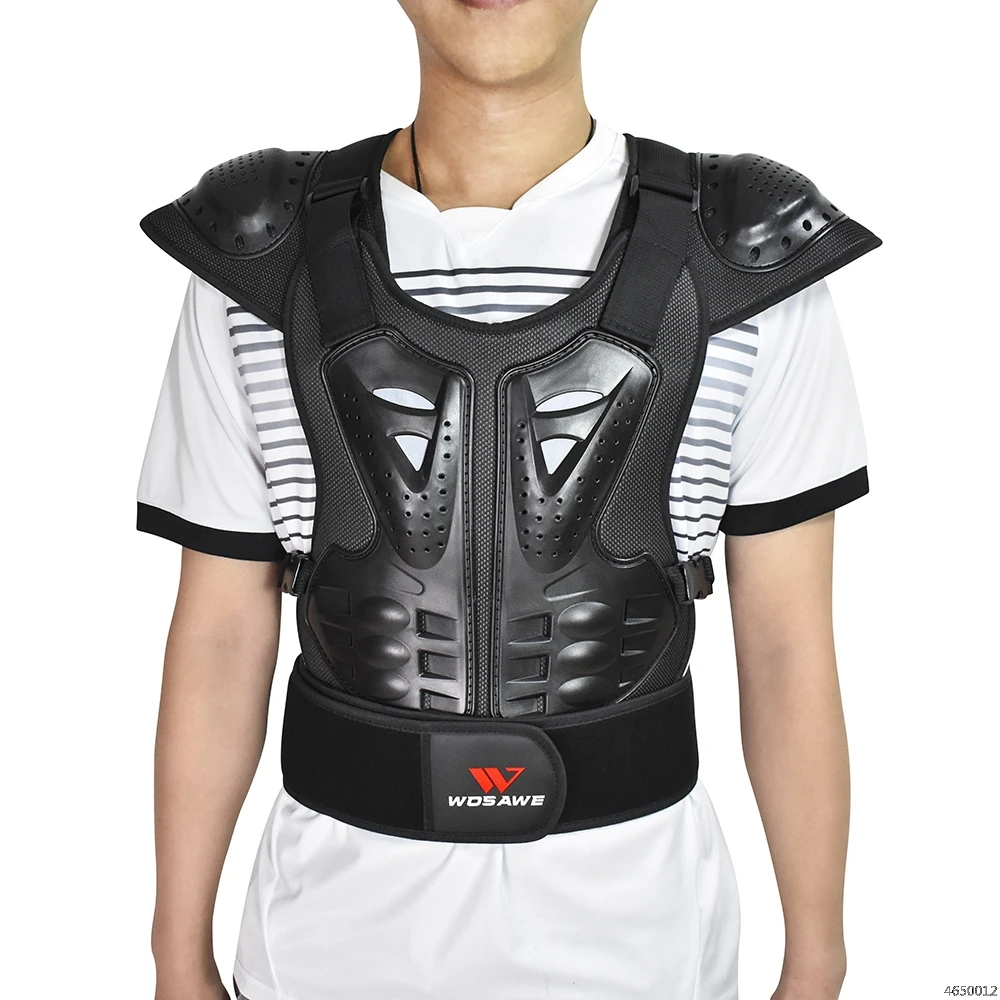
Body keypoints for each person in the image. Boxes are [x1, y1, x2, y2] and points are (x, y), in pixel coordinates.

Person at [136, 2, 879, 999]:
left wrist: (818, 963)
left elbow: (787, 643)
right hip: (325, 945)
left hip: (644, 946)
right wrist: (175, 955)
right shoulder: (257, 260)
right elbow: (222, 630)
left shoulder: (745, 263)